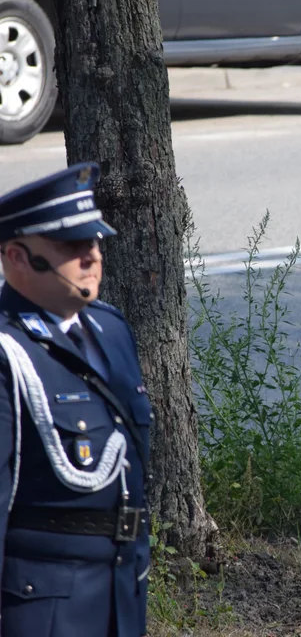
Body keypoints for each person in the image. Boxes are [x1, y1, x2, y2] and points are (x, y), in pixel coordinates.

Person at [0, 163, 152, 637]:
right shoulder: (7, 352)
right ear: (18, 258)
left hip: (120, 591)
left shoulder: (110, 329)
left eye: (95, 241)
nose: (92, 256)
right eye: (71, 246)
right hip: (42, 607)